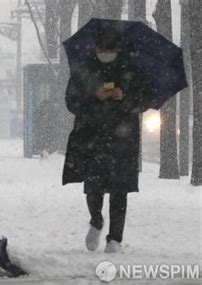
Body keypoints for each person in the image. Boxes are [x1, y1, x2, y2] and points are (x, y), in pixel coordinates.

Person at [62, 26, 153, 253]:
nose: (106, 52)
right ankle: (96, 220)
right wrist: (94, 96)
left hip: (123, 139)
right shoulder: (84, 69)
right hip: (92, 137)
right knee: (93, 188)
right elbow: (71, 102)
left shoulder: (132, 69)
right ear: (96, 47)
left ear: (118, 48)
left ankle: (115, 240)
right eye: (102, 48)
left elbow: (145, 99)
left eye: (110, 48)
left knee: (119, 190)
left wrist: (125, 96)